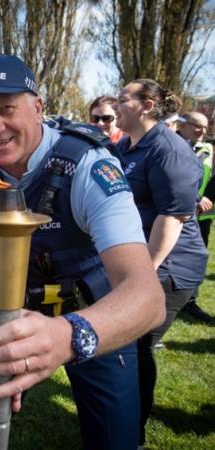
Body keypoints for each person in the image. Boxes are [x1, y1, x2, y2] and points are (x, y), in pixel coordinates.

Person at [0, 55, 165, 449]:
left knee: (115, 438)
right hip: (7, 320)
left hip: (91, 314)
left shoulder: (85, 165)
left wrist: (67, 336)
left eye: (7, 109)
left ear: (38, 108)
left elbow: (147, 297)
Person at [113, 78, 208, 448]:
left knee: (137, 345)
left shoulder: (168, 150)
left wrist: (142, 274)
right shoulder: (132, 146)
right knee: (131, 347)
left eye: (123, 99)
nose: (118, 105)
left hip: (169, 267)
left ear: (147, 106)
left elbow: (173, 218)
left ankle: (131, 433)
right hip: (144, 260)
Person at [177, 111, 214, 323]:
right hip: (179, 214)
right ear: (183, 126)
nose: (202, 131)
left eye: (206, 127)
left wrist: (207, 197)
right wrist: (195, 198)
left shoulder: (208, 149)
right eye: (197, 126)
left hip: (203, 215)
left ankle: (190, 302)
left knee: (196, 259)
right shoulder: (172, 146)